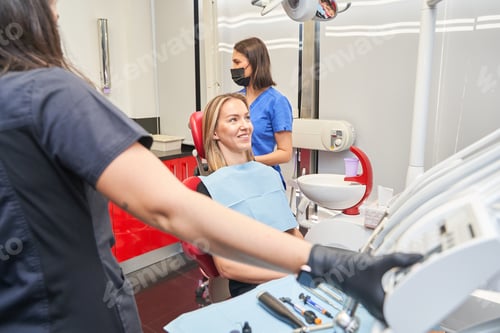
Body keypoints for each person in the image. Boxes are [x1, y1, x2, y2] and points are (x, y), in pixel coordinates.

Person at [0, 1, 422, 332]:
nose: (57, 13)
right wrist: (320, 261)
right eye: (52, 5)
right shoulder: (48, 94)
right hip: (74, 313)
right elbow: (170, 208)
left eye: (246, 118)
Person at [196, 93, 303, 297]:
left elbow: (292, 233)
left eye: (247, 117)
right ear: (215, 133)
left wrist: (318, 263)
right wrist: (288, 274)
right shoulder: (209, 189)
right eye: (233, 120)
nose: (245, 125)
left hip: (291, 276)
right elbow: (228, 268)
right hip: (254, 289)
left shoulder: (270, 175)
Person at [231, 37, 293, 187]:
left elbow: (285, 153)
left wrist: (251, 161)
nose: (233, 67)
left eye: (237, 62)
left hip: (264, 180)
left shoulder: (276, 102)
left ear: (254, 63)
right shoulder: (236, 99)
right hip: (237, 177)